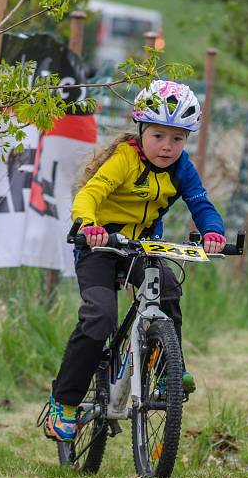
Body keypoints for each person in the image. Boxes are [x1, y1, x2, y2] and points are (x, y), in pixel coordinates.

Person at [44, 80, 227, 442]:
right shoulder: (123, 158)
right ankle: (63, 403)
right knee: (99, 317)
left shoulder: (182, 167)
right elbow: (90, 194)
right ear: (141, 130)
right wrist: (88, 225)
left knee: (169, 290)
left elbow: (201, 203)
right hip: (100, 244)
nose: (168, 147)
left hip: (143, 245)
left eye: (178, 139)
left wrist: (213, 233)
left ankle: (166, 372)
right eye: (159, 136)